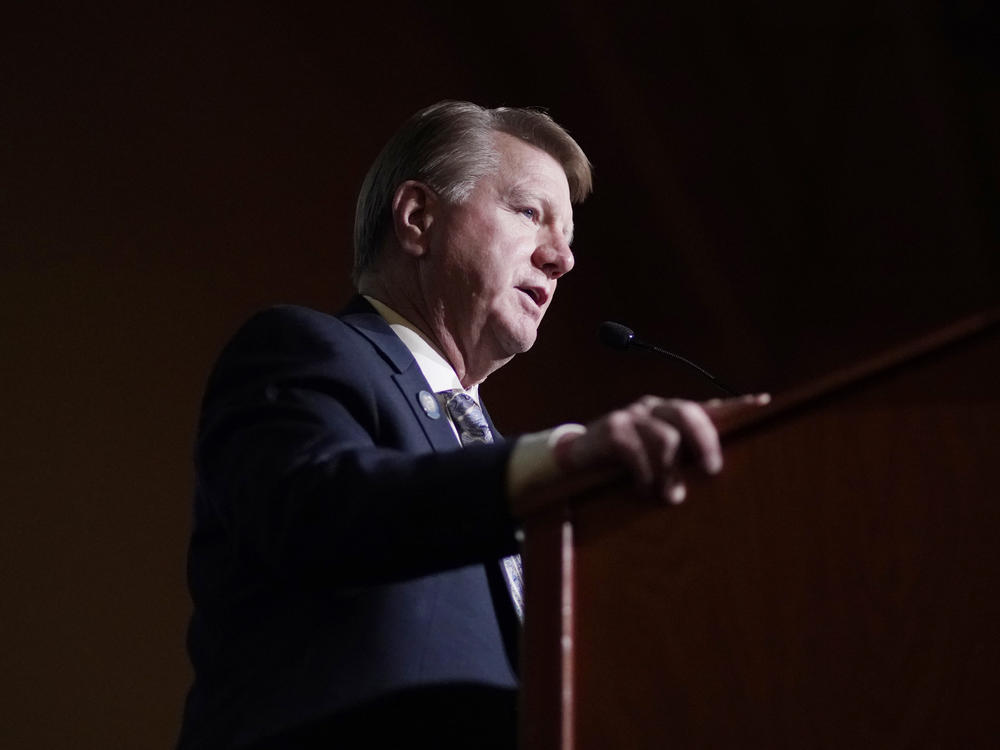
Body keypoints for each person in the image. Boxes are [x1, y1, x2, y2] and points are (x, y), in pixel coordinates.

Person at [177, 101, 762, 750]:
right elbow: (314, 509)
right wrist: (560, 464)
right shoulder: (302, 349)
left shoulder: (489, 451)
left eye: (569, 237)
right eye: (529, 213)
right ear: (418, 219)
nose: (562, 259)